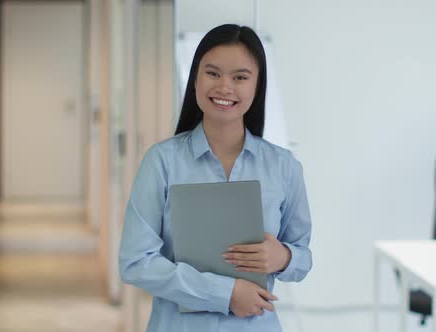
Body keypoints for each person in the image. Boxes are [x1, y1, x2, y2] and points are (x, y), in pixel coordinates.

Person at [119, 24, 312, 331]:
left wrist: (284, 257)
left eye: (240, 77)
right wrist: (225, 293)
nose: (225, 87)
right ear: (195, 78)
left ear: (257, 86)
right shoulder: (162, 162)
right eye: (213, 73)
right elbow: (135, 262)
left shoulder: (283, 166)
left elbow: (303, 258)